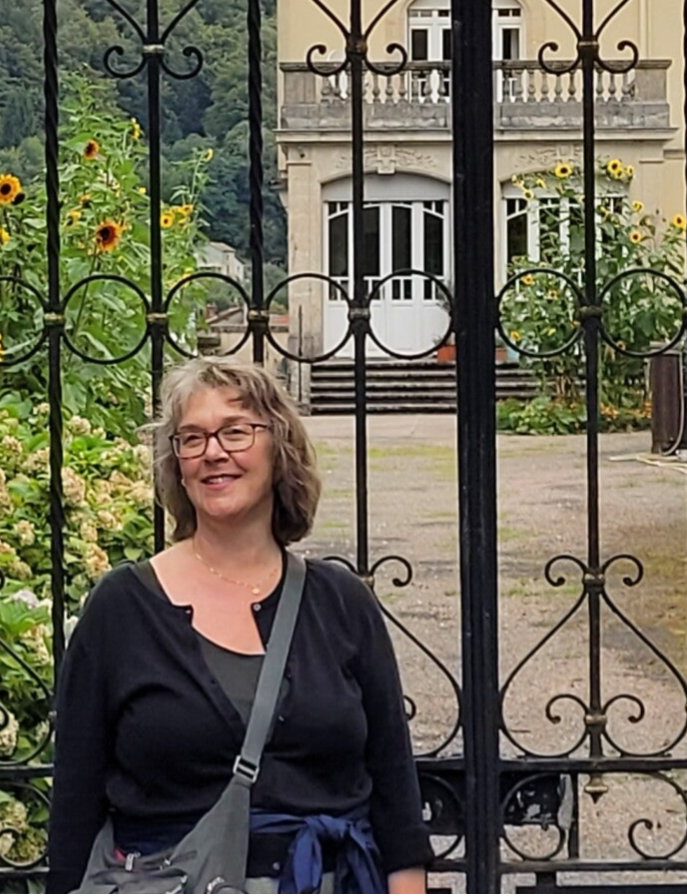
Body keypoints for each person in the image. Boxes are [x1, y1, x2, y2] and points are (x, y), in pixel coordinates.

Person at [46, 355, 432, 895]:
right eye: (192, 438)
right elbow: (74, 806)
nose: (213, 453)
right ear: (177, 463)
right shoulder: (121, 610)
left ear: (279, 448)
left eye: (235, 432)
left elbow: (396, 800)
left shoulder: (342, 604)